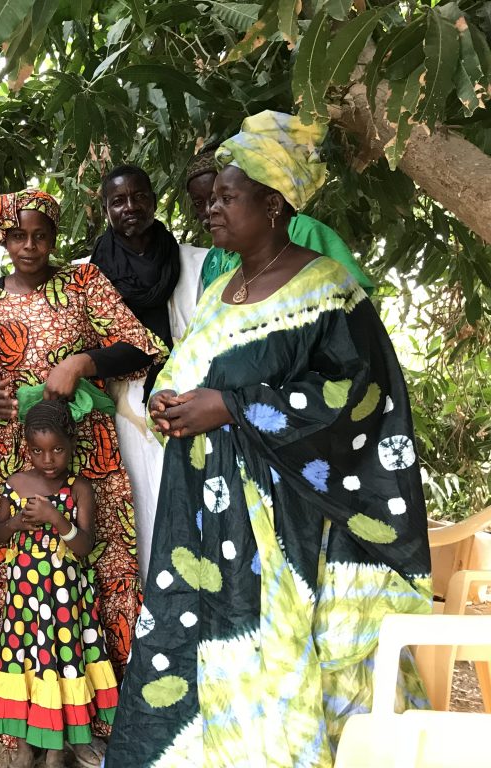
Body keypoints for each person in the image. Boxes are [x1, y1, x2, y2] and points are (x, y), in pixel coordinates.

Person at [107, 111, 431, 767]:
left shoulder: (328, 292)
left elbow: (359, 398)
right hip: (206, 532)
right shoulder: (226, 289)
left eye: (228, 196)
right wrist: (170, 400)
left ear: (273, 203)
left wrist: (231, 407)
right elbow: (192, 366)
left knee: (287, 675)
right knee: (199, 666)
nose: (211, 209)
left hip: (292, 537)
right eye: (211, 198)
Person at [0, 189, 167, 766]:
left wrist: (82, 362)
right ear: (0, 239)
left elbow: (142, 347)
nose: (30, 246)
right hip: (15, 458)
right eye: (18, 236)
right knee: (22, 587)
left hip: (86, 458)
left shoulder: (84, 284)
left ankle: (96, 720)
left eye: (41, 235)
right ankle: (29, 720)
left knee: (98, 575)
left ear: (55, 236)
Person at [0, 399, 118, 768]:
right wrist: (17, 524)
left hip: (65, 603)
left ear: (71, 445)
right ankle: (26, 745)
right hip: (25, 601)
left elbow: (84, 546)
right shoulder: (16, 484)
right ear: (27, 449)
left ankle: (57, 749)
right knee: (29, 668)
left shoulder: (79, 488)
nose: (49, 459)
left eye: (57, 449)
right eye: (38, 451)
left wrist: (56, 518)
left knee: (62, 666)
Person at [88, 164, 206, 580]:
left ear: (154, 202)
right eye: (118, 200)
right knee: (136, 511)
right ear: (106, 210)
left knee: (191, 514)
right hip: (121, 408)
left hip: (187, 406)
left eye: (138, 197)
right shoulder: (88, 273)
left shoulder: (195, 263)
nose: (130, 207)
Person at [185, 133, 375, 294]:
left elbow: (353, 302)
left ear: (271, 203)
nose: (211, 210)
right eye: (199, 203)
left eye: (223, 198)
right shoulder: (213, 259)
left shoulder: (304, 231)